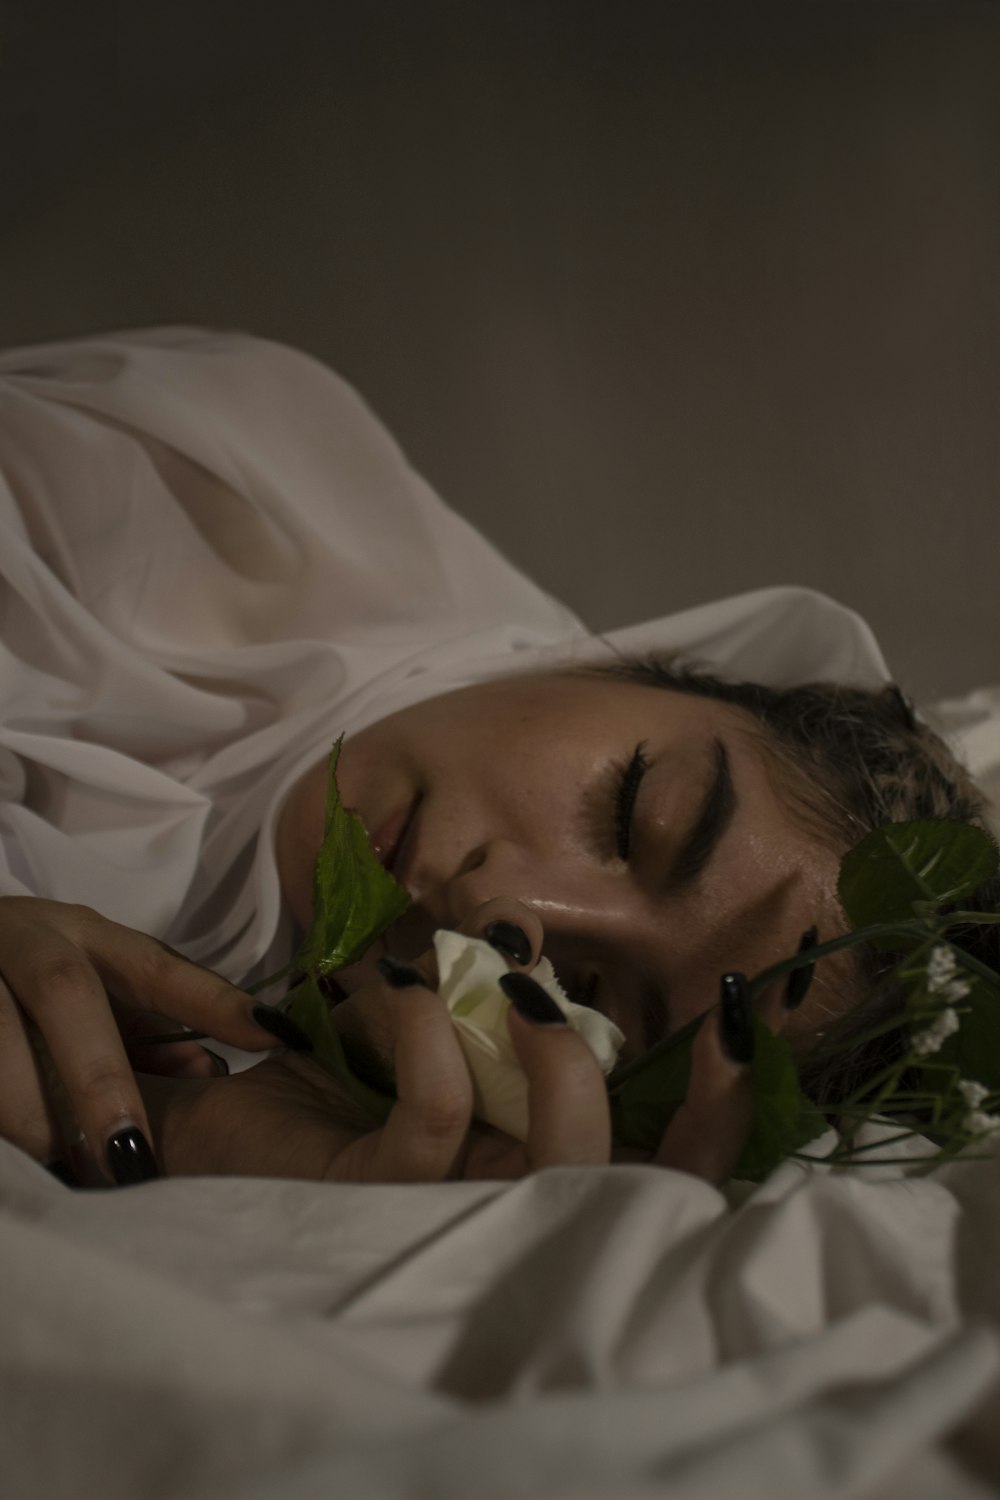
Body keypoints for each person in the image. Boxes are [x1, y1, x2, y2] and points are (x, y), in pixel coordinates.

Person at [0, 328, 994, 1191]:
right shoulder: (224, 479)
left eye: (596, 1001)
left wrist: (174, 1123)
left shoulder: (263, 1068)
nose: (511, 914)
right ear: (649, 667)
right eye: (629, 812)